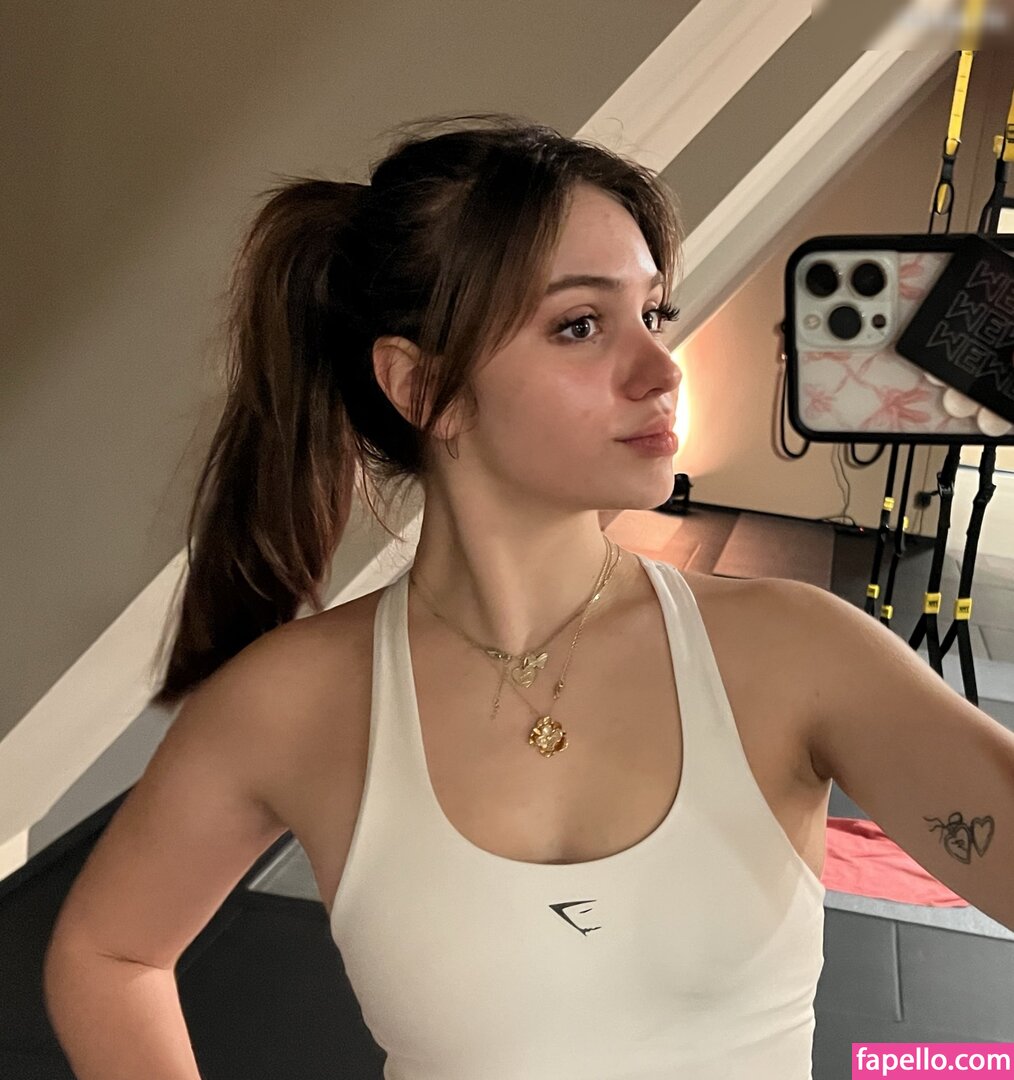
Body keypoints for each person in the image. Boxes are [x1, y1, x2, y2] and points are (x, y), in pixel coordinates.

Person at [42, 112, 1014, 1080]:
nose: (661, 370)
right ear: (420, 388)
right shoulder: (288, 703)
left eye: (653, 314)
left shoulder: (797, 654)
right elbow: (108, 956)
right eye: (580, 325)